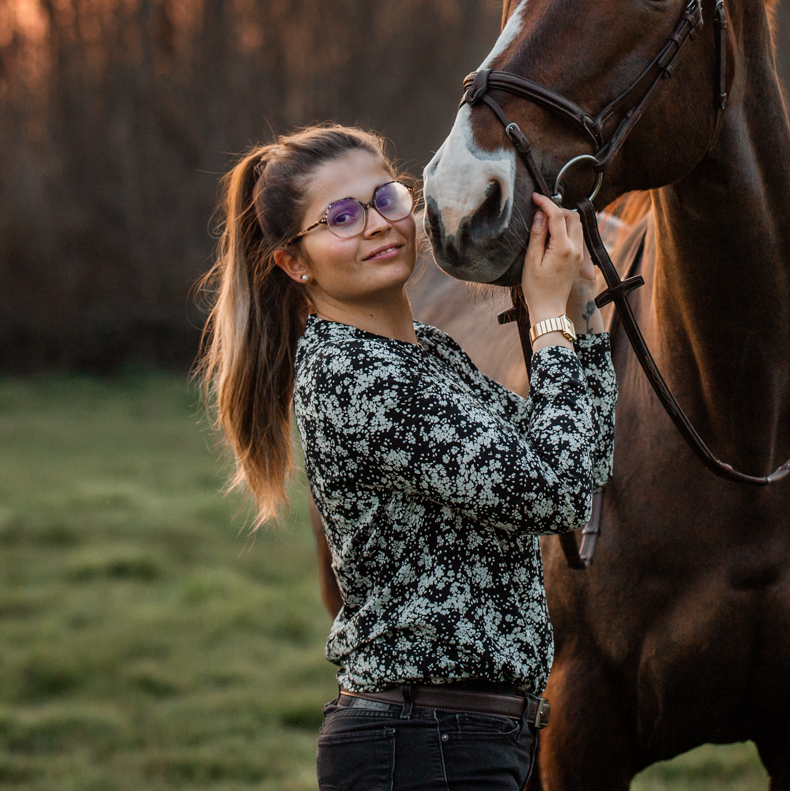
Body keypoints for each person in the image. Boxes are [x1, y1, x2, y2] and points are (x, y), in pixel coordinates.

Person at [198, 124, 615, 791]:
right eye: (340, 216)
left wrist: (580, 306)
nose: (377, 224)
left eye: (386, 197)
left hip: (465, 741)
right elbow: (551, 492)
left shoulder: (426, 353)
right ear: (294, 263)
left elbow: (579, 463)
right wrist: (546, 318)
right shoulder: (358, 378)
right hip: (423, 748)